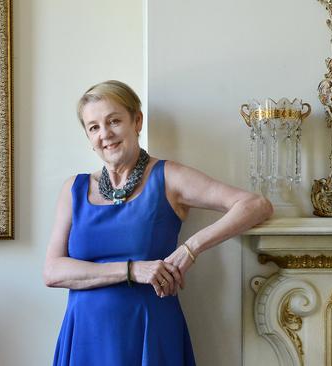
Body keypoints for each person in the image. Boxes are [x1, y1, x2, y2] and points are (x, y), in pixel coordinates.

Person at [44, 80, 273, 365]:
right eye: (94, 127)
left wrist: (192, 247)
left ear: (136, 121)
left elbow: (255, 205)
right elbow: (52, 271)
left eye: (114, 121)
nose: (105, 134)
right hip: (85, 338)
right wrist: (132, 270)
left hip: (150, 332)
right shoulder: (74, 189)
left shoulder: (168, 177)